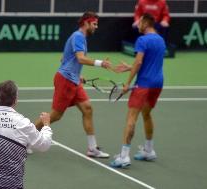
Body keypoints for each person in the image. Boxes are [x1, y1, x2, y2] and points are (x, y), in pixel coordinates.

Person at [33, 11, 127, 158]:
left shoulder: (80, 37)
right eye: (94, 24)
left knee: (87, 109)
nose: (96, 27)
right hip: (65, 80)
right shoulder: (78, 36)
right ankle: (24, 139)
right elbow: (81, 59)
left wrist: (77, 75)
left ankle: (92, 148)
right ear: (86, 23)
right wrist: (101, 63)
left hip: (74, 81)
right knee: (56, 115)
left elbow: (64, 58)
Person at [110, 13, 165, 168]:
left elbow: (140, 61)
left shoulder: (142, 40)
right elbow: (149, 63)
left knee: (131, 117)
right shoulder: (160, 40)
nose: (137, 24)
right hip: (158, 83)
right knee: (146, 114)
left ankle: (124, 156)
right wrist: (129, 67)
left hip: (144, 84)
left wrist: (127, 83)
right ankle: (149, 150)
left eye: (140, 22)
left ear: (146, 23)